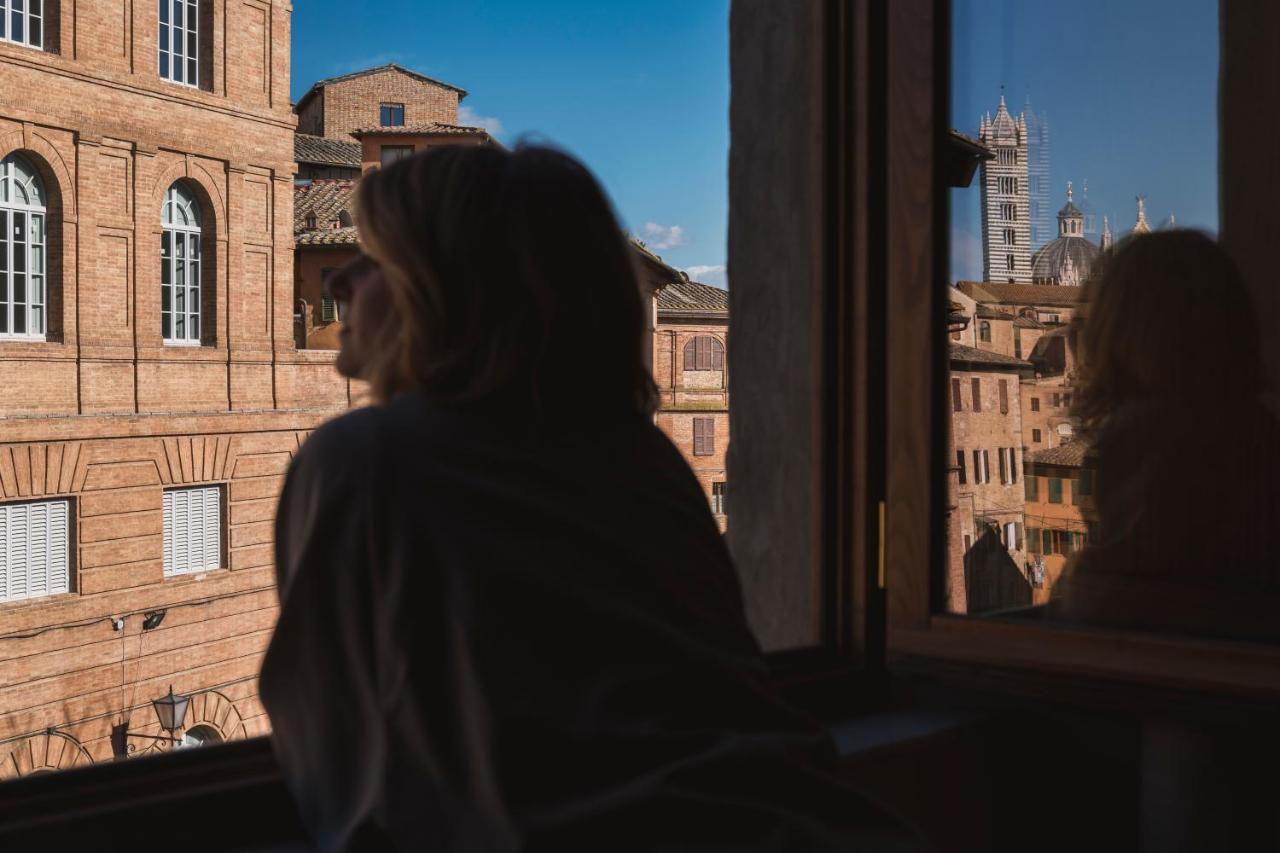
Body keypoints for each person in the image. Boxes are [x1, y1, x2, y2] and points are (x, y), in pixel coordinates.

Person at [258, 144, 918, 851]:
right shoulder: (649, 461)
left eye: (378, 258)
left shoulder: (362, 462)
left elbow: (337, 771)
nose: (340, 284)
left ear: (454, 286)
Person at [1054, 230, 1280, 640]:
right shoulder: (1261, 429)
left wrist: (1072, 582)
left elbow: (1125, 598)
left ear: (1121, 331)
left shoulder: (1146, 436)